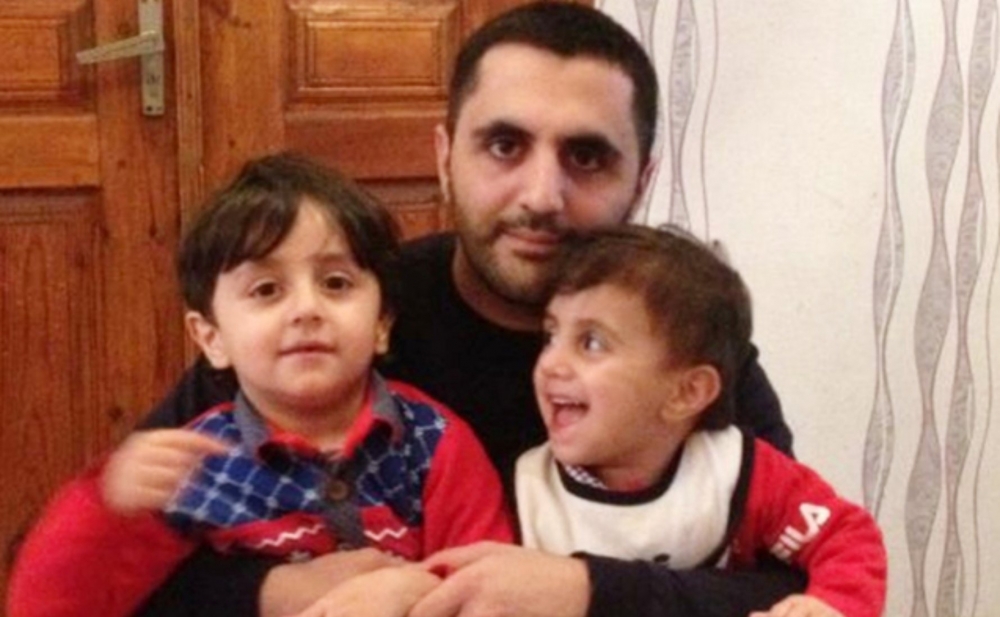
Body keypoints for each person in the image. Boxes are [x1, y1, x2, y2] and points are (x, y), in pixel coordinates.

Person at [125, 3, 802, 616]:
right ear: (445, 156)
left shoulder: (680, 337)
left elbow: (804, 580)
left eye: (588, 156)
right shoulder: (344, 317)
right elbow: (110, 563)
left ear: (642, 180)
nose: (541, 195)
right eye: (505, 146)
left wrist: (587, 589)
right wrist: (279, 590)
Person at [6, 154, 513, 617]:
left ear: (382, 323)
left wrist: (408, 591)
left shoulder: (434, 444)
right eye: (267, 290)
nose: (307, 309)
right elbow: (46, 607)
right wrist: (103, 505)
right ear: (211, 338)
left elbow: (488, 591)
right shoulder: (189, 465)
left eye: (336, 283)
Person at [508, 224, 886, 617]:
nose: (550, 363)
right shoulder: (524, 490)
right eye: (550, 336)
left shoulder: (737, 471)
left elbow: (846, 535)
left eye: (592, 342)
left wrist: (829, 605)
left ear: (686, 393)